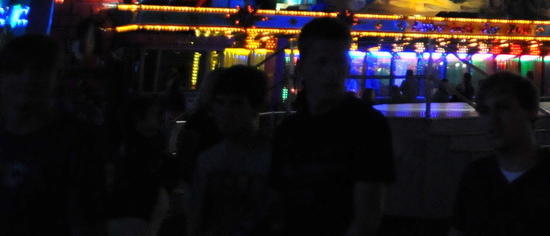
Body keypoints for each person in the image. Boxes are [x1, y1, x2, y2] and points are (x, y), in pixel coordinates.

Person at [269, 18, 395, 235]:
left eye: (339, 62)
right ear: (301, 67)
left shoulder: (368, 126)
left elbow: (367, 217)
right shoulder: (287, 131)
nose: (332, 72)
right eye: (322, 62)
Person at [449, 71, 550, 236]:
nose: (492, 119)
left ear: (530, 111)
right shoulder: (475, 176)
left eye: (502, 108)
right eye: (485, 111)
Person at [0, 35, 103, 236]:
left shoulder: (77, 141)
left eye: (39, 70)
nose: (27, 78)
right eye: (16, 69)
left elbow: (87, 222)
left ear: (58, 78)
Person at [187, 65, 273, 236]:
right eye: (220, 103)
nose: (226, 112)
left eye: (236, 104)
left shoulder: (209, 159)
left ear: (255, 108)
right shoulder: (208, 159)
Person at [106, 94, 175, 235]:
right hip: (135, 219)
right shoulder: (145, 153)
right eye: (155, 114)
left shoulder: (120, 147)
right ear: (138, 119)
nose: (160, 119)